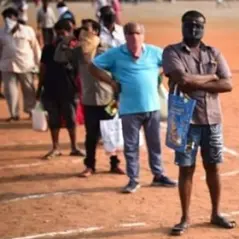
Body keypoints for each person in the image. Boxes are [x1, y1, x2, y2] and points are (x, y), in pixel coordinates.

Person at [163, 10, 235, 235]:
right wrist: (211, 77)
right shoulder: (171, 52)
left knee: (213, 166)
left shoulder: (214, 52)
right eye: (189, 25)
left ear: (204, 28)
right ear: (182, 26)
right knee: (186, 168)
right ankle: (185, 217)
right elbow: (182, 80)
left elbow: (228, 84)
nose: (194, 29)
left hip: (212, 119)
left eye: (198, 26)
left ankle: (215, 212)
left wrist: (197, 82)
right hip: (184, 119)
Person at [90, 22, 177, 194]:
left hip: (152, 107)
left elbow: (171, 64)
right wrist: (110, 82)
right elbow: (93, 66)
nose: (134, 37)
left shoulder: (154, 52)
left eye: (137, 33)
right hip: (129, 109)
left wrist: (159, 76)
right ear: (125, 35)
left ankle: (158, 175)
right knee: (131, 146)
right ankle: (133, 179)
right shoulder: (116, 54)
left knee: (155, 144)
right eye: (130, 33)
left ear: (143, 35)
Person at [65, 19, 123, 175]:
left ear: (96, 31)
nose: (83, 32)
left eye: (87, 29)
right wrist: (69, 39)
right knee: (91, 134)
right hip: (89, 99)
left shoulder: (108, 50)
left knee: (111, 133)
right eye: (81, 29)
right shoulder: (78, 52)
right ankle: (90, 165)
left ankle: (114, 164)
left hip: (107, 98)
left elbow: (117, 75)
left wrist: (117, 97)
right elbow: (60, 58)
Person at [37, 18, 83, 159]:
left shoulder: (75, 49)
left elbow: (80, 69)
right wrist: (39, 88)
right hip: (51, 89)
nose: (62, 35)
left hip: (69, 89)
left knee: (71, 119)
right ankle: (56, 147)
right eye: (60, 33)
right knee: (54, 120)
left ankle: (74, 147)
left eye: (65, 32)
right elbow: (43, 69)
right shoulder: (48, 49)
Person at [0, 7, 40, 122]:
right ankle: (14, 114)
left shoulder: (27, 30)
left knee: (28, 90)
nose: (7, 19)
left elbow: (35, 47)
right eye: (5, 17)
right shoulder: (1, 32)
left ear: (16, 18)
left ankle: (31, 111)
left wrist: (38, 63)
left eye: (10, 17)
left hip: (25, 65)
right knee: (10, 91)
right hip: (7, 65)